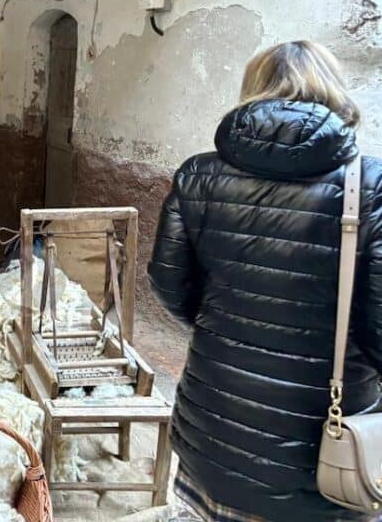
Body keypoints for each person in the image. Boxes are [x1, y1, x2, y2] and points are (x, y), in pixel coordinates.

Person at [149, 40, 382, 522]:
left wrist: (228, 323)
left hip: (214, 427)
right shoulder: (370, 185)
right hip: (322, 449)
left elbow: (170, 285)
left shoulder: (198, 175)